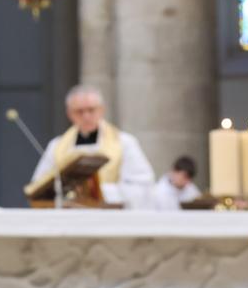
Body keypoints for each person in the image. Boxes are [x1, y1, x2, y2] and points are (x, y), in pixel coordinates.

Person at [27, 84, 156, 208]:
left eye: (91, 110)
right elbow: (39, 186)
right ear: (69, 114)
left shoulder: (124, 142)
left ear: (101, 110)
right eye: (79, 111)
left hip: (110, 217)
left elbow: (141, 186)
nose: (86, 116)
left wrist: (100, 192)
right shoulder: (56, 146)